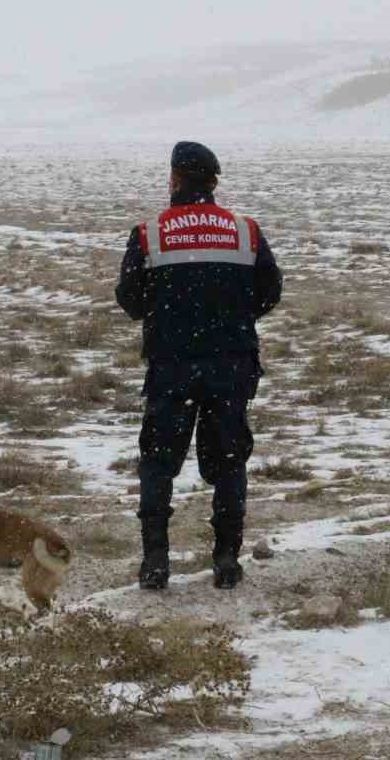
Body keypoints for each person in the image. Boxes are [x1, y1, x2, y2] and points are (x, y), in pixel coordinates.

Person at [114, 141, 282, 590]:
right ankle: (226, 558)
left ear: (174, 180)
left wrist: (169, 315)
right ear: (213, 182)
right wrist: (229, 317)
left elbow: (129, 300)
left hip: (172, 368)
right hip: (231, 366)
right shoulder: (245, 231)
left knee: (158, 463)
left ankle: (155, 560)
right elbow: (270, 292)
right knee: (229, 462)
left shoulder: (150, 233)